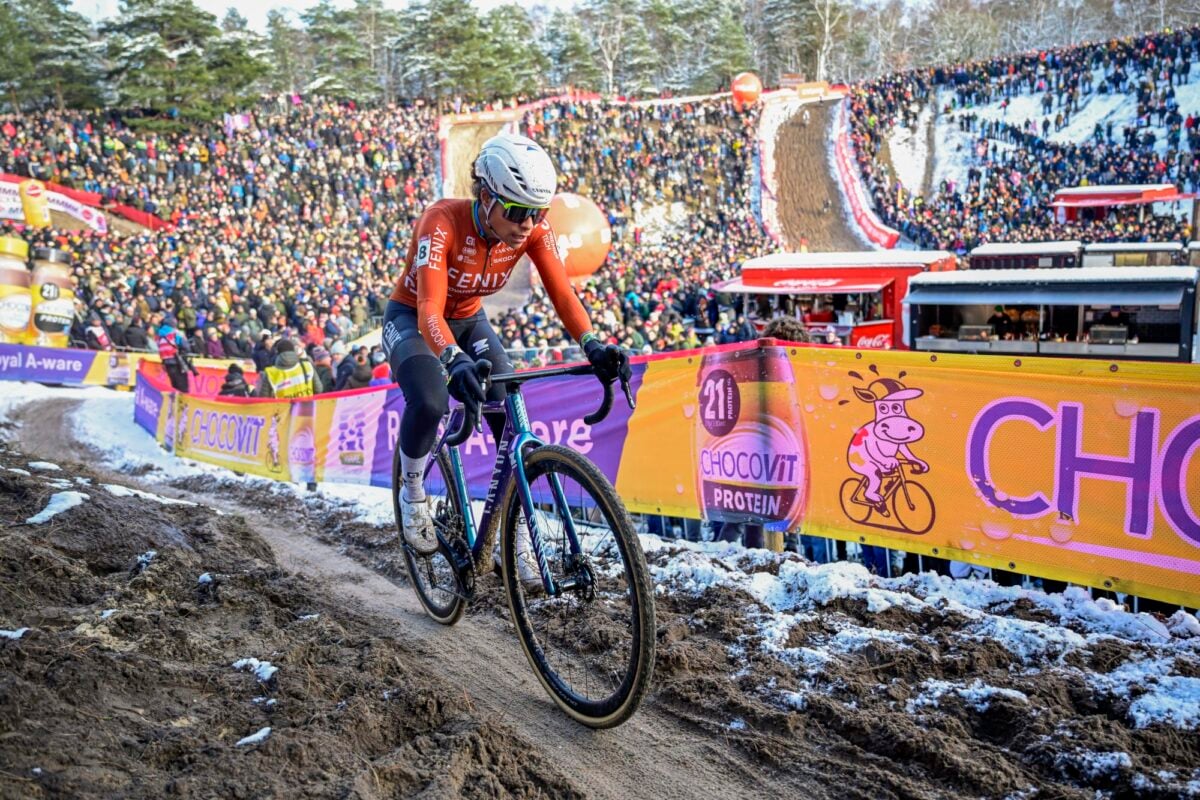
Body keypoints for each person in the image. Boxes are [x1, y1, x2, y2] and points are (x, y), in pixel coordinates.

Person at [383, 132, 630, 582]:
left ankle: (510, 534)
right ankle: (412, 488)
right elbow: (428, 311)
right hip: (414, 318)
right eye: (517, 211)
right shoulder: (441, 222)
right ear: (485, 195)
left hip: (469, 319)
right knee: (432, 399)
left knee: (509, 409)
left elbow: (562, 293)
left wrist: (592, 344)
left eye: (537, 213)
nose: (527, 223)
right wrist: (453, 359)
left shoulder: (532, 229)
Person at [254, 338, 321, 398]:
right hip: (307, 409)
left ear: (277, 353)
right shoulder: (307, 366)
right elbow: (319, 389)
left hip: (282, 411)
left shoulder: (270, 373)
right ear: (293, 351)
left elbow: (264, 399)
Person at [155, 314, 192, 393]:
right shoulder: (176, 333)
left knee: (174, 384)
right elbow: (186, 347)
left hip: (166, 362)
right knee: (182, 386)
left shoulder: (160, 335)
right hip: (177, 361)